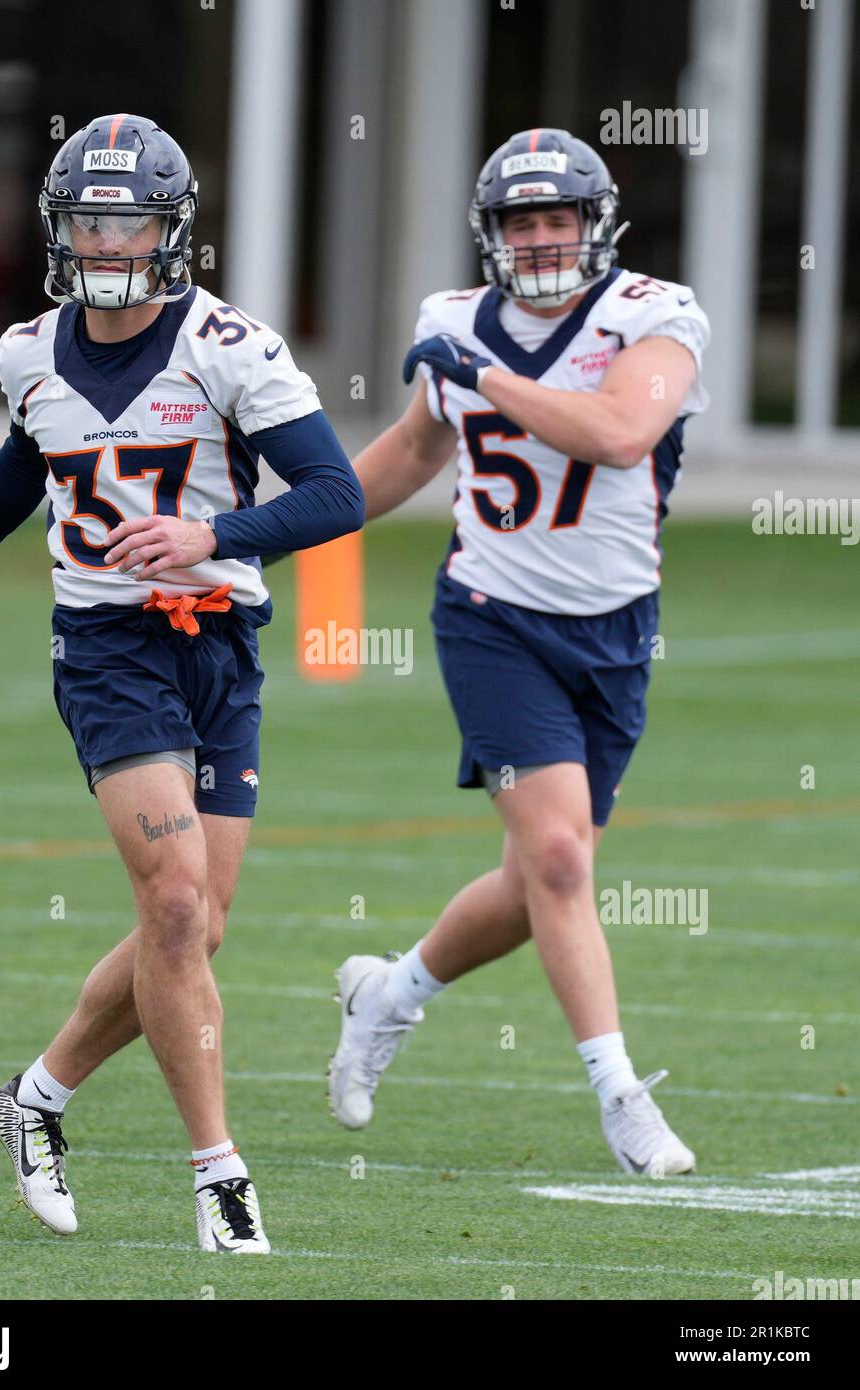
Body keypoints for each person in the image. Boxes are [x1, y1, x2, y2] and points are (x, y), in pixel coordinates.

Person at [0, 113, 363, 1252]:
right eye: (88, 220)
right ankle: (219, 1174)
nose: (108, 242)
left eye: (130, 220)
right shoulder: (27, 349)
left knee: (196, 927)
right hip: (108, 651)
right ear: (59, 229)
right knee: (169, 900)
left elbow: (334, 494)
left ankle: (38, 1098)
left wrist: (210, 537)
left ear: (173, 229)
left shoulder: (230, 346)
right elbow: (33, 451)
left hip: (220, 646)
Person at [329, 128, 708, 1177]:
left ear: (597, 225)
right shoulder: (454, 323)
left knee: (536, 877)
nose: (541, 240)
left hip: (617, 628)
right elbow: (414, 448)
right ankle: (620, 1093)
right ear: (490, 234)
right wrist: (270, 535)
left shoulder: (656, 316)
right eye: (519, 221)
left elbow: (622, 434)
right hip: (491, 615)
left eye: (558, 218)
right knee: (556, 856)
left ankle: (386, 995)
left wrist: (488, 377)